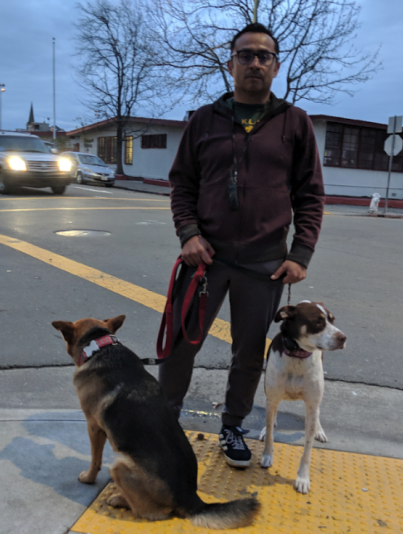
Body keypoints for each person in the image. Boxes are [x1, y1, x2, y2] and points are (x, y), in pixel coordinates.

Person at [160, 22, 325, 468]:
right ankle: (163, 423)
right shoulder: (204, 121)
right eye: (246, 55)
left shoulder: (295, 123)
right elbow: (182, 186)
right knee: (179, 344)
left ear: (275, 65)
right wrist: (189, 234)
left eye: (263, 56)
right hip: (204, 259)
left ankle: (233, 426)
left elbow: (310, 195)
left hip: (265, 263)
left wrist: (300, 254)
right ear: (231, 63)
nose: (254, 62)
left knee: (249, 352)